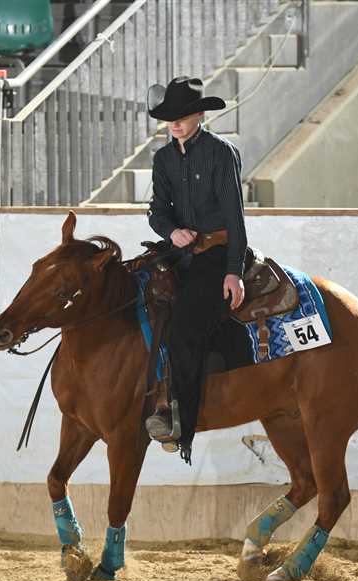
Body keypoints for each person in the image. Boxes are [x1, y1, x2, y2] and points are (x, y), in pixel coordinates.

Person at [144, 76, 247, 461]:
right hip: (179, 251)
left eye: (183, 116)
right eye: (170, 116)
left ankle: (182, 424)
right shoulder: (163, 159)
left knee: (185, 327)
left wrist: (234, 270)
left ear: (200, 115)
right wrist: (171, 231)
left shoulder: (221, 153)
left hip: (216, 253)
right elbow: (157, 211)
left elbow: (235, 218)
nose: (175, 123)